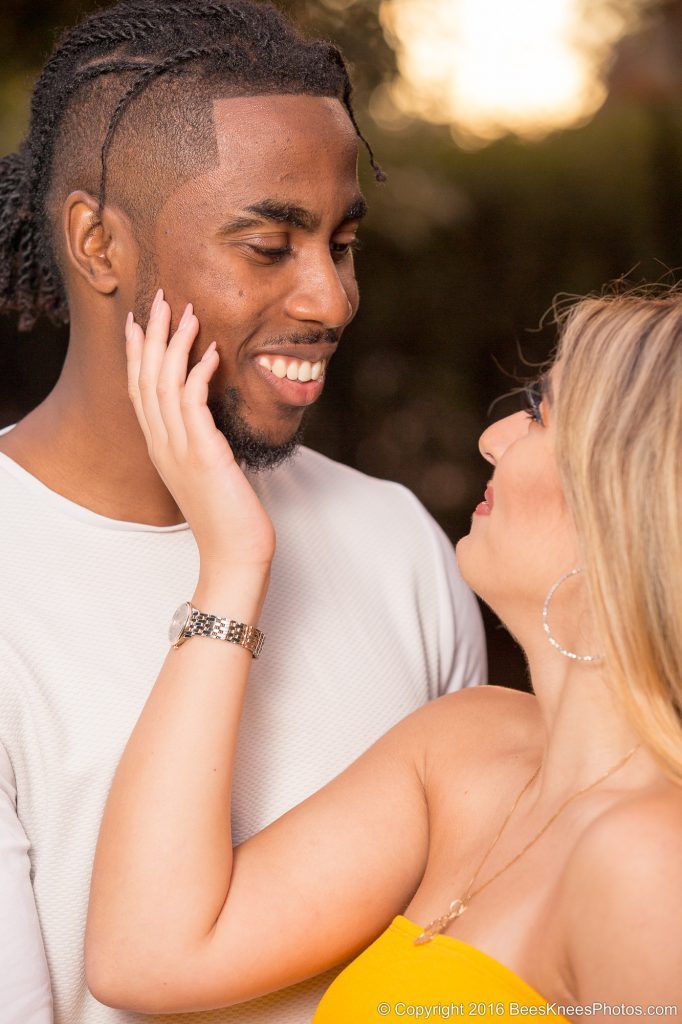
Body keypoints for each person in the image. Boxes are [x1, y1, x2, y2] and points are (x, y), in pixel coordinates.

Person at [0, 2, 486, 1023]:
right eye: (270, 244)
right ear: (98, 242)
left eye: (343, 243)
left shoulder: (393, 537)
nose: (331, 298)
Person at [85, 290, 682, 1020]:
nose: (494, 438)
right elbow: (145, 954)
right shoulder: (463, 746)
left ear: (626, 504)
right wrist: (235, 563)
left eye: (538, 412)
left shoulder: (653, 859)